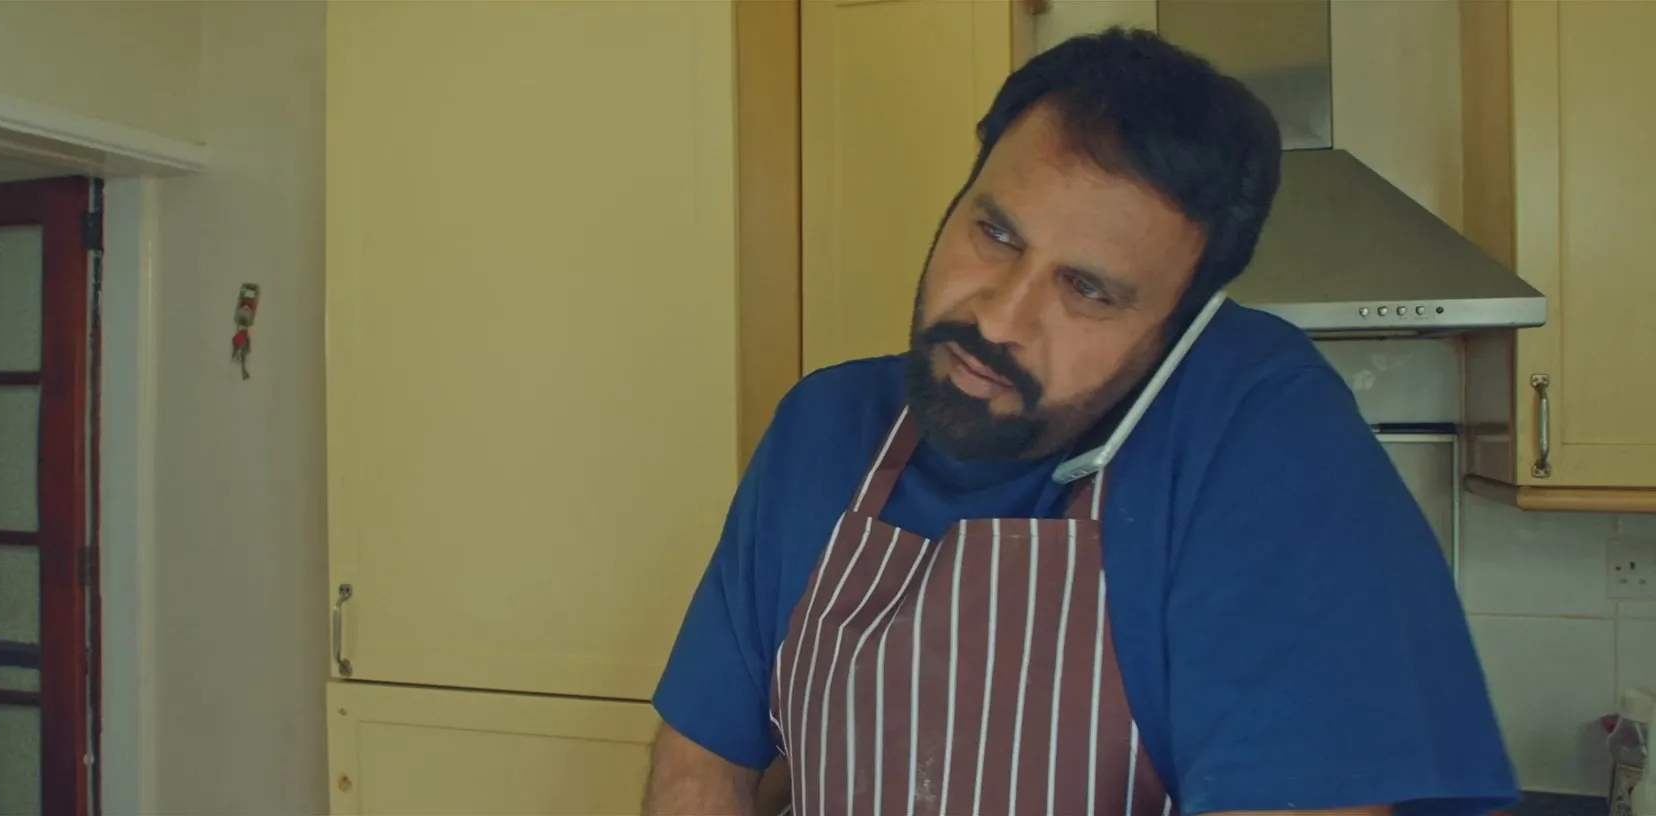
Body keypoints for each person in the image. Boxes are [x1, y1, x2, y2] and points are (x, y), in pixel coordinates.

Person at [645, 27, 1517, 816]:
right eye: (995, 234)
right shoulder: (824, 426)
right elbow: (700, 768)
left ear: (1178, 333)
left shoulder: (1260, 434)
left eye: (1088, 289)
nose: (998, 319)